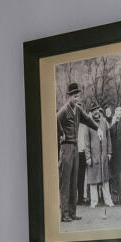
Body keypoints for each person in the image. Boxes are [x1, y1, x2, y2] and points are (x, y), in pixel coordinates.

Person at [55, 80, 86, 221]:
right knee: (65, 182)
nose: (76, 98)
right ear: (69, 97)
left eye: (78, 96)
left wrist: (97, 128)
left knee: (74, 181)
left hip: (75, 147)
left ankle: (72, 213)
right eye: (74, 96)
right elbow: (55, 120)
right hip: (66, 147)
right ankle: (64, 214)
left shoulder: (77, 110)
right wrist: (61, 133)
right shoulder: (64, 109)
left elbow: (87, 119)